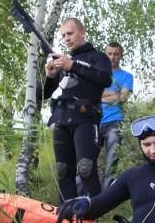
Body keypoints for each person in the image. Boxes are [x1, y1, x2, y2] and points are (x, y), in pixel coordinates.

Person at [42, 18, 112, 201]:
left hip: (85, 120)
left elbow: (105, 79)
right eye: (63, 35)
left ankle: (94, 216)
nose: (66, 38)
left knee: (85, 168)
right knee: (63, 171)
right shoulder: (64, 62)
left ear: (82, 33)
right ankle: (66, 219)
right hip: (61, 120)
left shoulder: (97, 57)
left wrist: (72, 66)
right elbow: (43, 95)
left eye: (70, 33)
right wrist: (50, 77)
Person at [98, 42, 134, 188]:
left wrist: (102, 96)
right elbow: (92, 96)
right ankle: (87, 200)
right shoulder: (98, 74)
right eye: (109, 54)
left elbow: (123, 98)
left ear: (121, 56)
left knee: (111, 164)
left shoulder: (127, 76)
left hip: (115, 122)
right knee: (85, 163)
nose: (112, 57)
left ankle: (104, 200)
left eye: (116, 54)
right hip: (94, 121)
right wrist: (114, 94)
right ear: (105, 55)